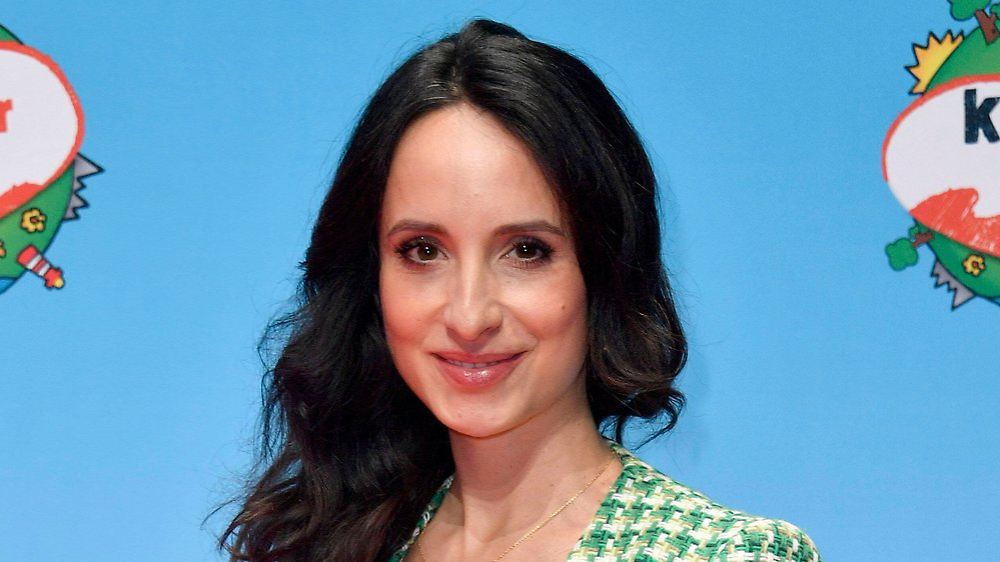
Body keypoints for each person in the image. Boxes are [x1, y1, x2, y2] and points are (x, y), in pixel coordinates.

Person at [218, 18, 823, 562]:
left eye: (526, 251)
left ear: (603, 269)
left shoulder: (724, 555)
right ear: (370, 277)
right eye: (423, 251)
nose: (469, 315)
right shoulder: (327, 543)